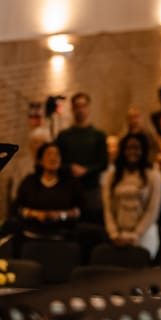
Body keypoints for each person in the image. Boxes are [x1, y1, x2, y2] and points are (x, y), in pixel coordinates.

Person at [101, 132, 161, 259]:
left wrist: (136, 234)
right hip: (118, 236)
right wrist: (114, 234)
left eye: (136, 148)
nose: (132, 152)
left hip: (144, 235)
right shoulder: (111, 177)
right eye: (128, 148)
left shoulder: (154, 177)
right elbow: (107, 209)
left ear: (143, 150)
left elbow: (153, 210)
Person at [55, 92, 109, 223]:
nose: (81, 110)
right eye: (77, 106)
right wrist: (70, 168)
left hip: (91, 190)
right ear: (72, 109)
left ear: (88, 108)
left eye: (83, 106)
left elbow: (103, 163)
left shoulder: (98, 135)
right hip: (69, 190)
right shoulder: (64, 136)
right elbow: (57, 162)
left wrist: (86, 170)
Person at [13, 142, 84, 239]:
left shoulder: (70, 182)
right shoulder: (30, 182)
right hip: (31, 235)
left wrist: (61, 215)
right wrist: (36, 214)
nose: (53, 158)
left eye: (57, 154)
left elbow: (79, 210)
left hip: (62, 235)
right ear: (40, 160)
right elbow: (18, 209)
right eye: (49, 154)